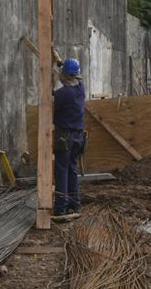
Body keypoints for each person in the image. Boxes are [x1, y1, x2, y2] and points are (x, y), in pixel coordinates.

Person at [53, 58, 85, 216]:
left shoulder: (61, 95)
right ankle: (75, 203)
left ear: (64, 75)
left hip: (64, 137)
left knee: (61, 171)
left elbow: (54, 100)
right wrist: (60, 64)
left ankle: (60, 207)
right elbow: (70, 77)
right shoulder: (81, 89)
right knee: (72, 169)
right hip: (78, 137)